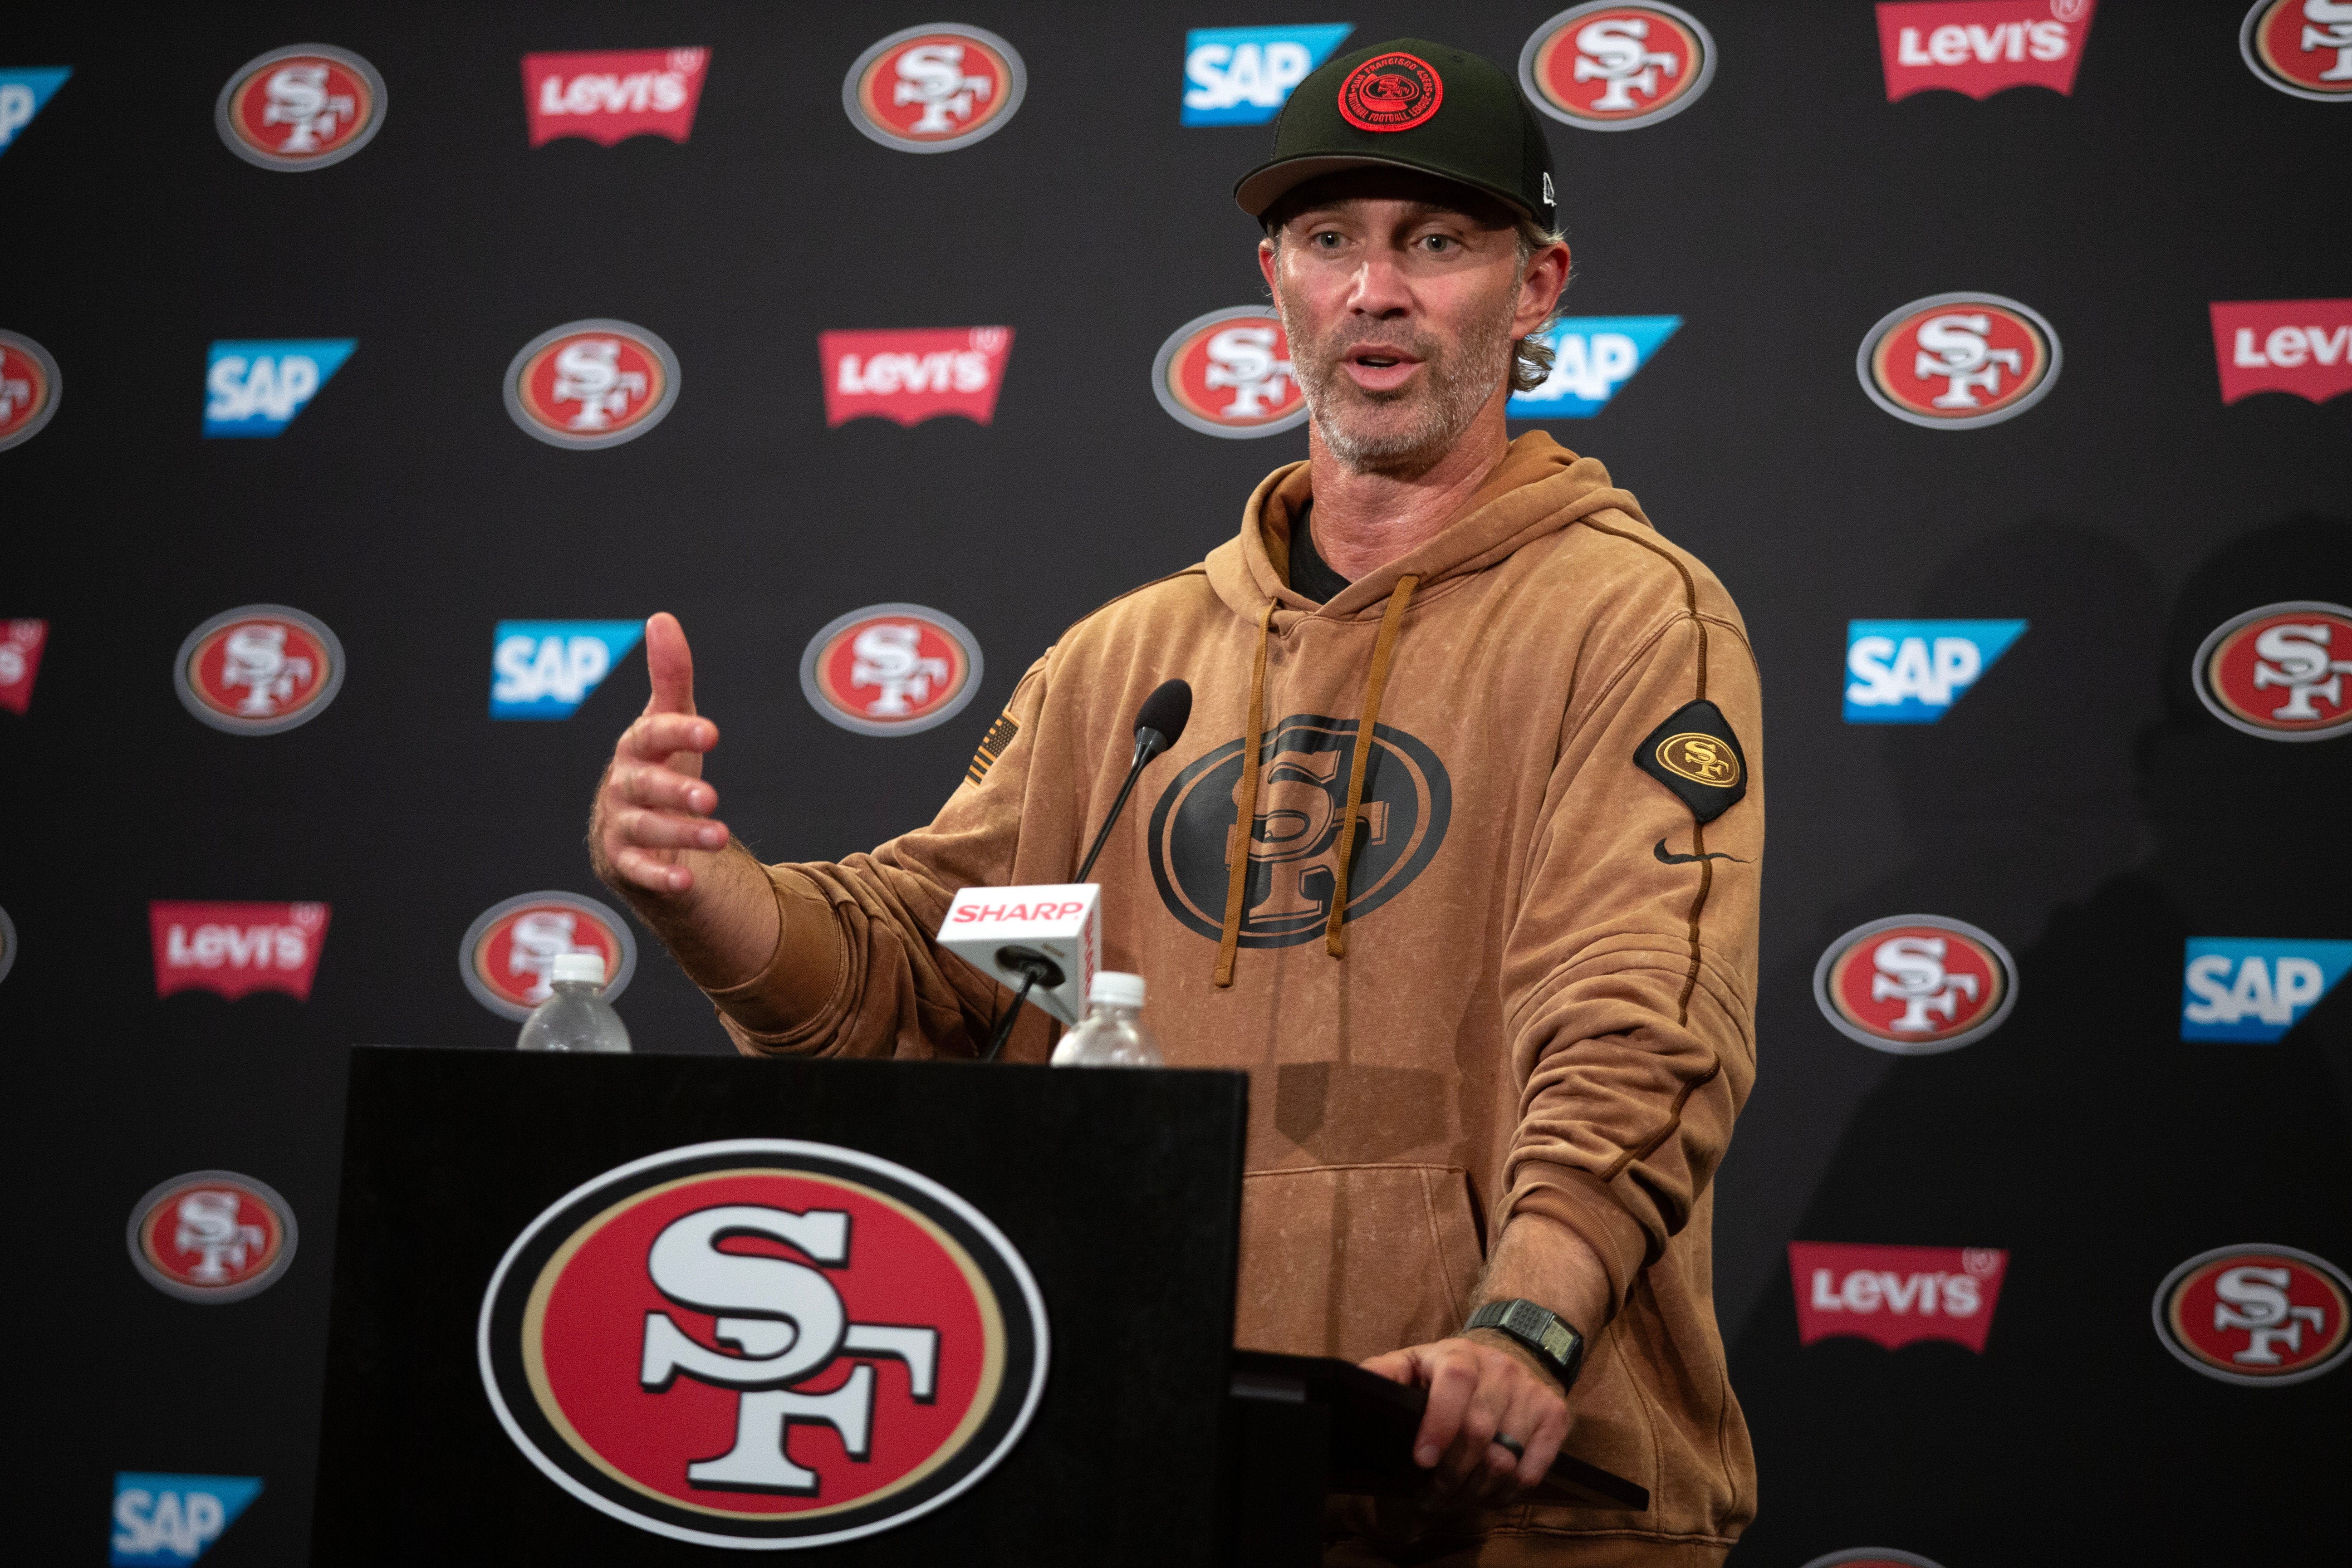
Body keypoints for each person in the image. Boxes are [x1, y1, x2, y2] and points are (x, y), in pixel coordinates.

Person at [590, 38, 1761, 1568]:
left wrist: (1523, 1321)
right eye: (1331, 239)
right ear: (1273, 275)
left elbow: (1640, 1017)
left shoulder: (1633, 617)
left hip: (1504, 1506)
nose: (1375, 290)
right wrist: (707, 894)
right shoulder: (1131, 657)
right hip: (1145, 1473)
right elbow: (934, 969)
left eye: (1438, 243)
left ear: (1536, 288)